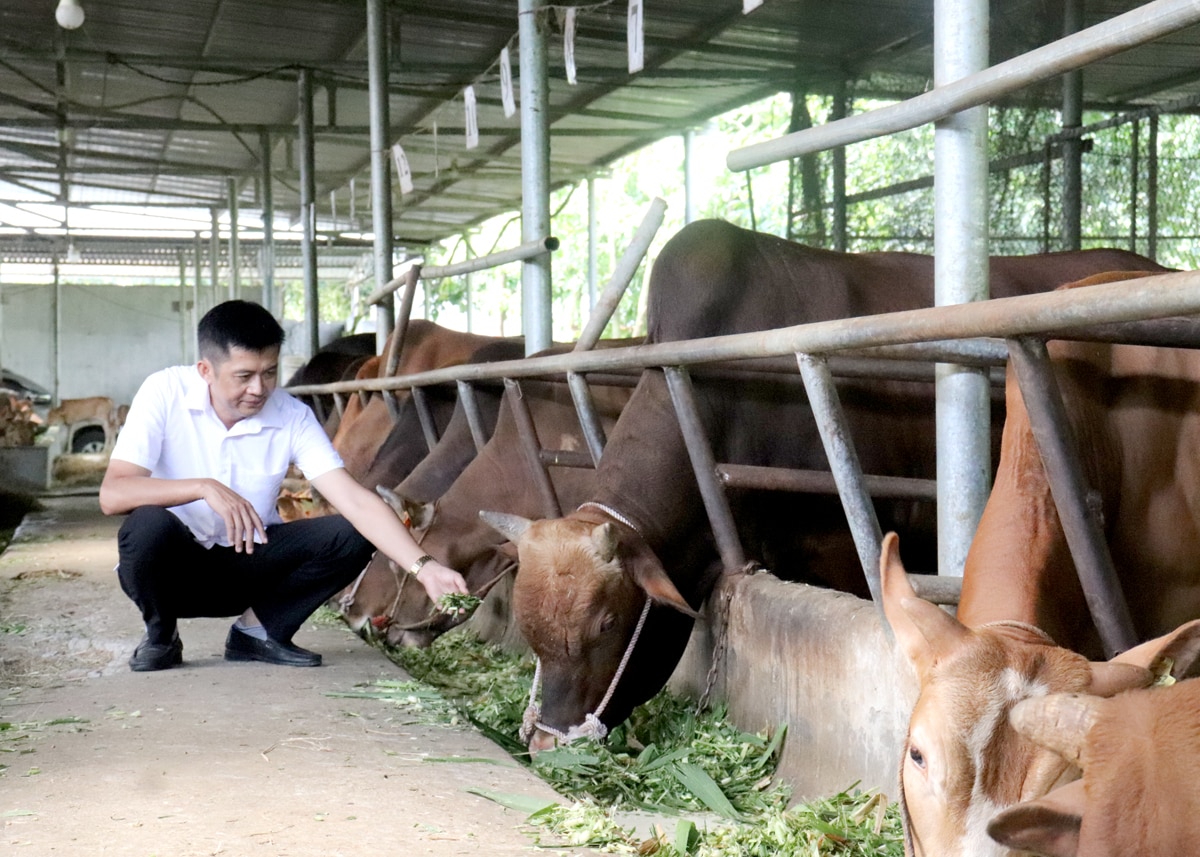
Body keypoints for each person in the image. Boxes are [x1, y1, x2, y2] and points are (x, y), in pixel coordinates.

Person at [100, 300, 468, 672]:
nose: (259, 389)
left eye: (269, 373)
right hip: (171, 571)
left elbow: (355, 501)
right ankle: (161, 636)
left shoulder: (292, 415)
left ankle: (258, 633)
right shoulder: (163, 392)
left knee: (350, 532)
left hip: (248, 566)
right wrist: (203, 487)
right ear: (205, 370)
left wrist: (424, 568)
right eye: (244, 376)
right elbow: (113, 494)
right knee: (147, 525)